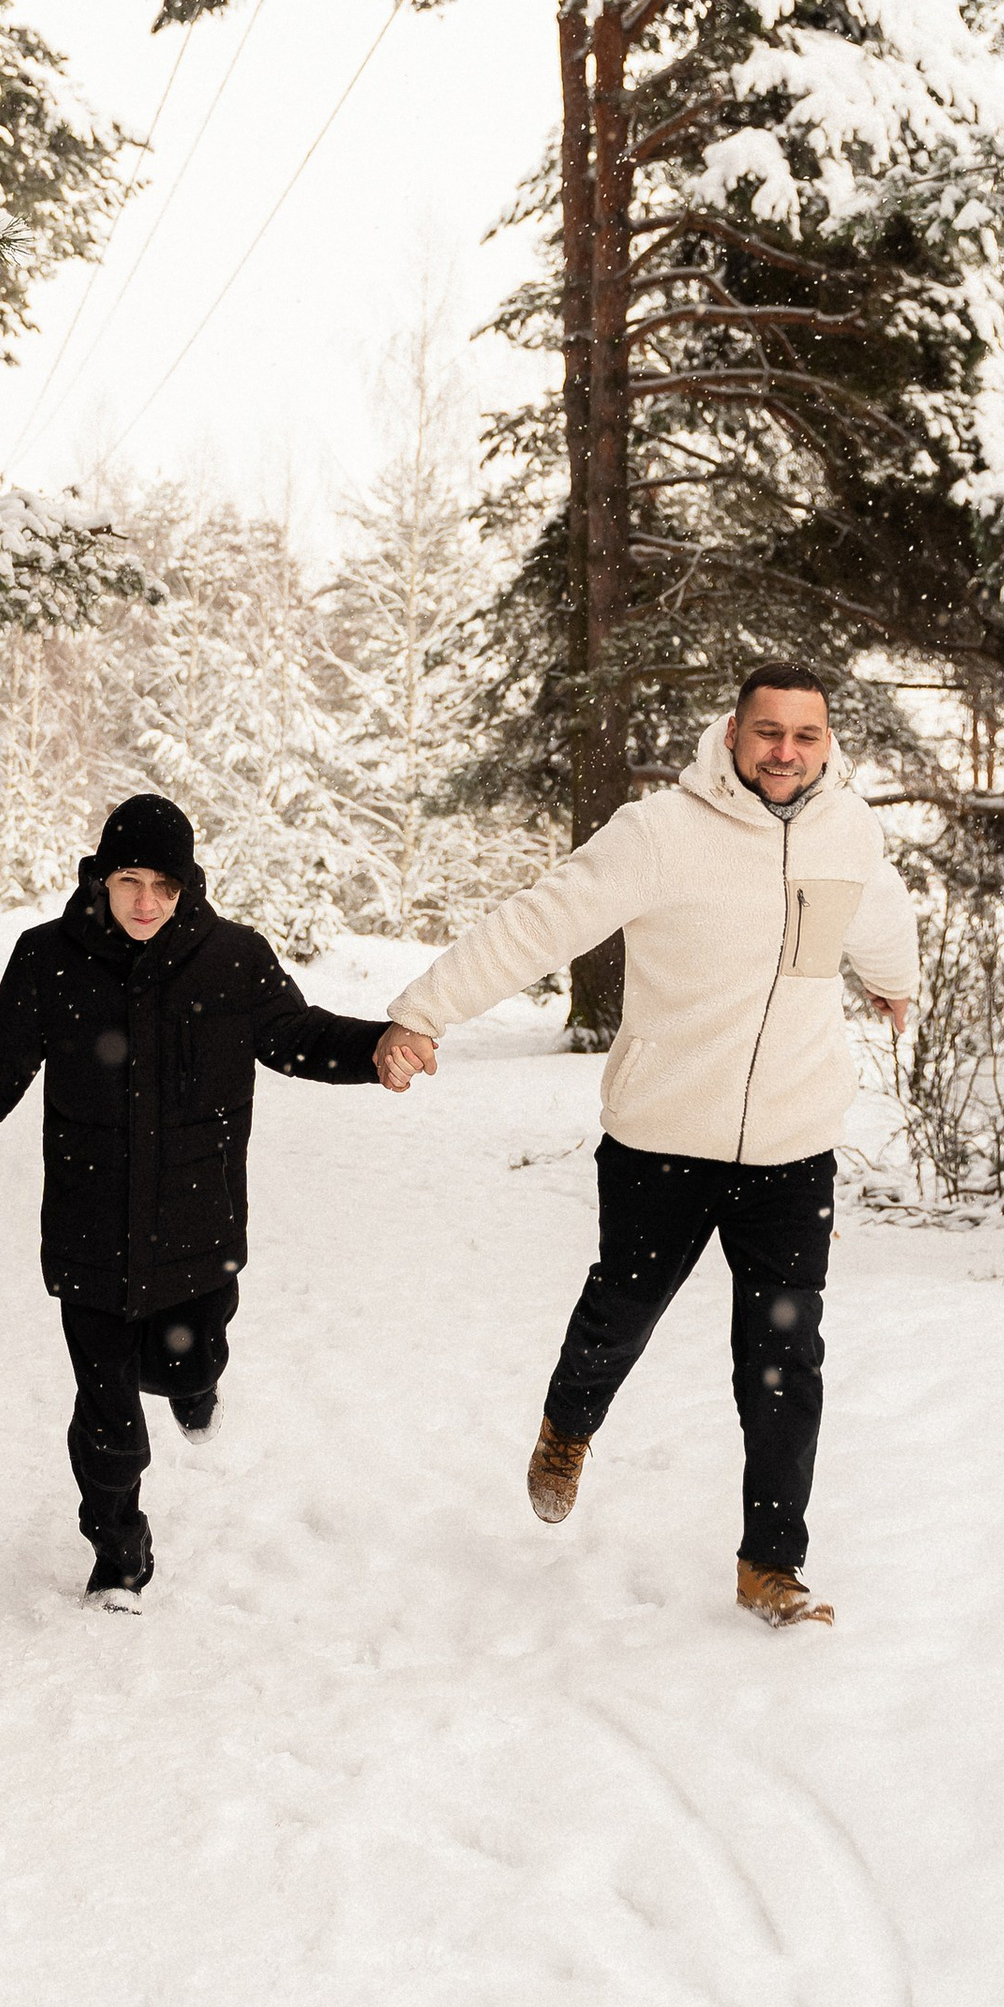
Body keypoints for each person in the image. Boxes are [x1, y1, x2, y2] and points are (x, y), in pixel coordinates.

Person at [375, 665, 917, 1627]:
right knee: (619, 1316)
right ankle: (567, 1427)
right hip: (663, 1141)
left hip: (793, 1151)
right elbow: (536, 923)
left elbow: (876, 912)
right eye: (767, 733)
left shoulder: (850, 833)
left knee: (785, 1362)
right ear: (733, 734)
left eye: (805, 735)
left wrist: (893, 978)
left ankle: (770, 1566)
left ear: (827, 742)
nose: (785, 751)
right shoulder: (661, 833)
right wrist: (424, 1013)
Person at [0, 792, 415, 1607]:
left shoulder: (233, 959)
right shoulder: (49, 959)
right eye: (131, 881)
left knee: (188, 1360)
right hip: (89, 1228)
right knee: (106, 1413)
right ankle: (119, 1554)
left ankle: (195, 1386)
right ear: (102, 877)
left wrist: (377, 1046)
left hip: (197, 1229)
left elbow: (300, 1035)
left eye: (166, 888)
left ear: (189, 889)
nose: (147, 903)